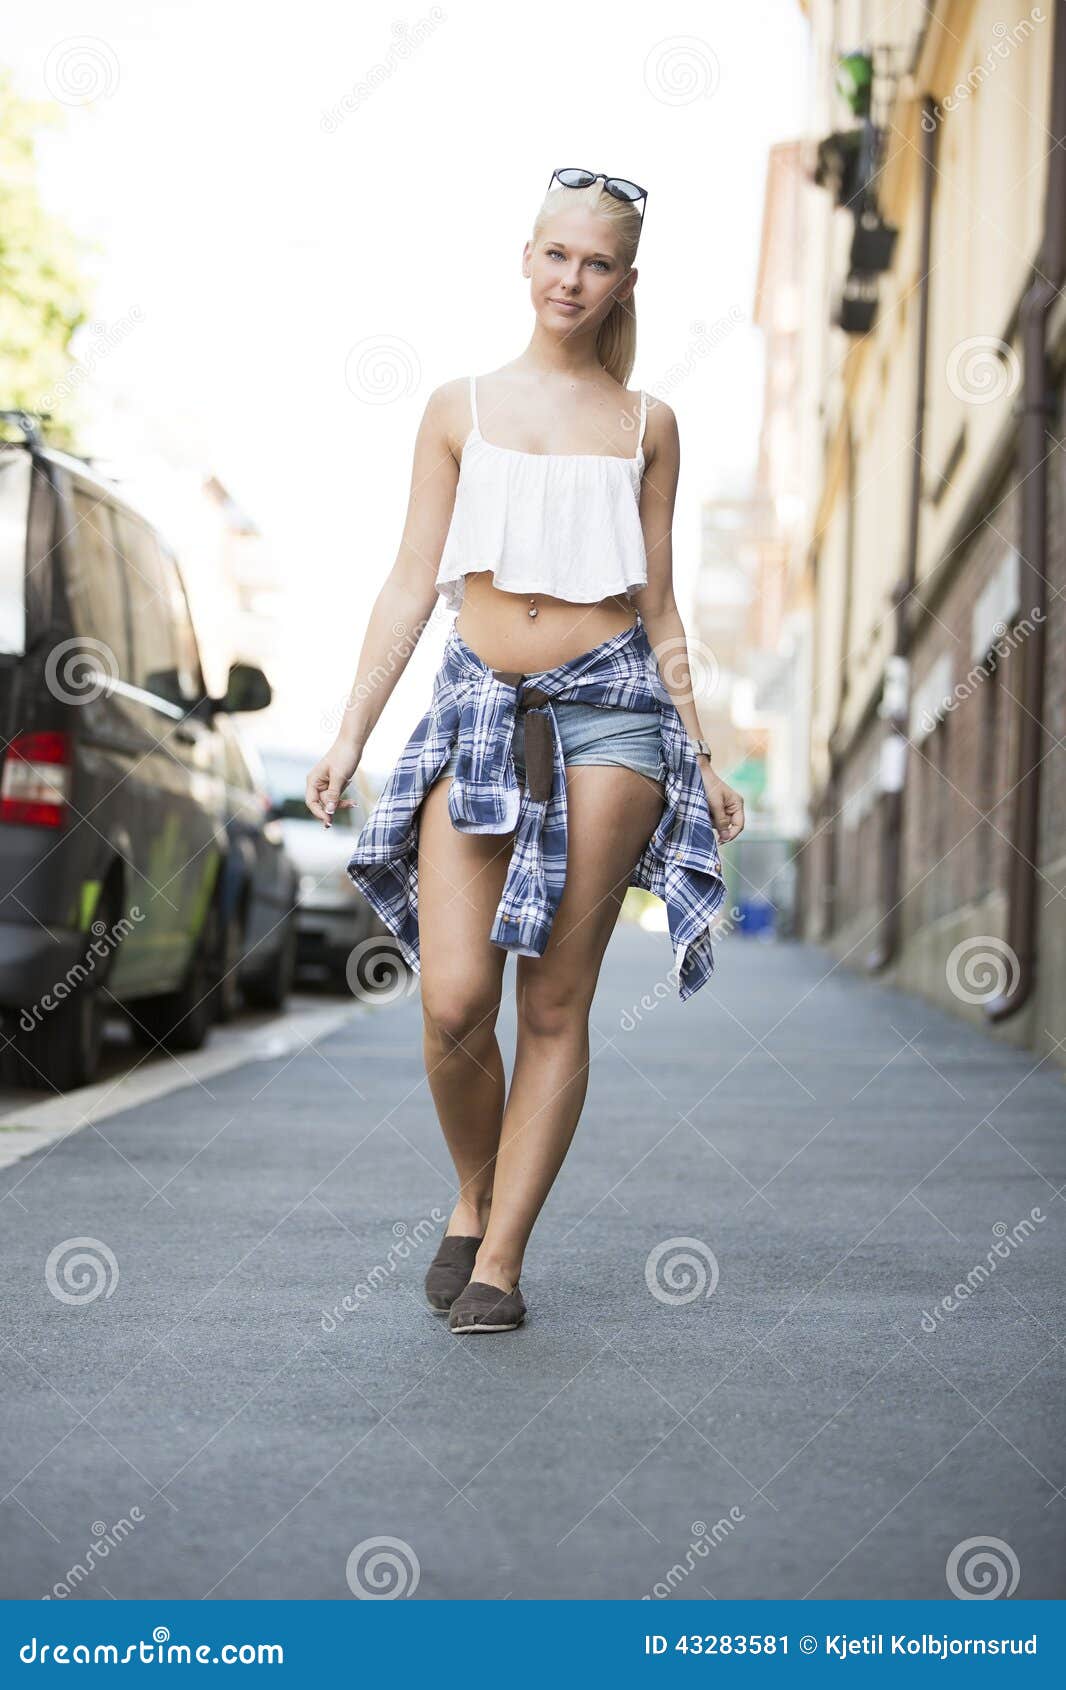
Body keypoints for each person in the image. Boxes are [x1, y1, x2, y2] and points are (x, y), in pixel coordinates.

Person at [305, 168, 745, 1336]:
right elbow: (411, 578)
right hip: (476, 704)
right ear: (526, 257)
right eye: (558, 255)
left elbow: (660, 609)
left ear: (625, 282)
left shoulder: (647, 423)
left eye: (597, 263)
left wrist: (700, 750)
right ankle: (472, 1187)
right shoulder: (459, 406)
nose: (573, 279)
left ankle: (499, 1261)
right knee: (453, 1000)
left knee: (554, 1001)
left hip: (612, 715)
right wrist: (351, 726)